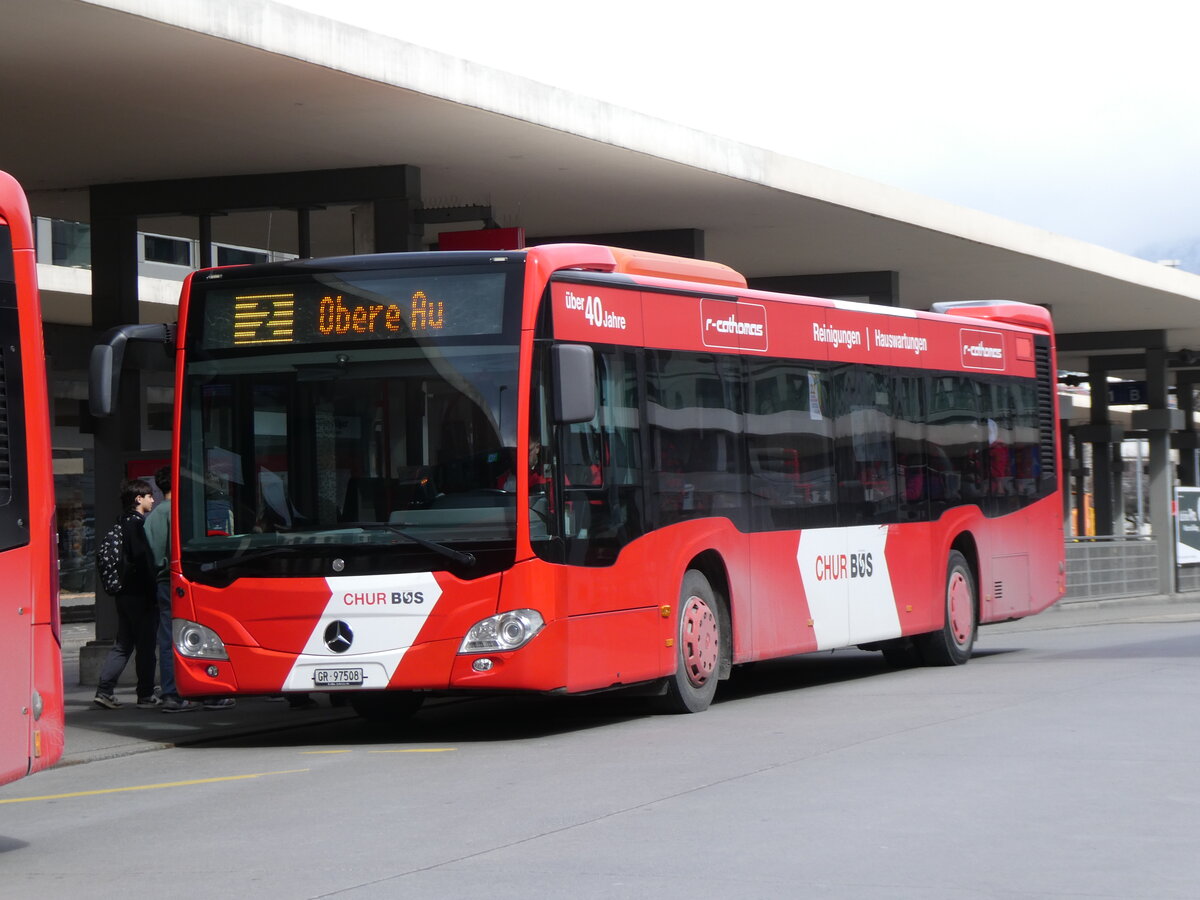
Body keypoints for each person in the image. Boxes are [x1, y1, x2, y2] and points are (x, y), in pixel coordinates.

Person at [144, 465, 235, 713]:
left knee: (166, 639)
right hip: (187, 579)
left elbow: (150, 556)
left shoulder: (152, 517)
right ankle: (207, 692)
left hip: (163, 581)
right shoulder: (183, 513)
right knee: (199, 638)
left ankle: (171, 694)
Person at [93, 478, 160, 710]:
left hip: (123, 594)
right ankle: (146, 694)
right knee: (146, 646)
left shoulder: (119, 523)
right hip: (140, 594)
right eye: (149, 496)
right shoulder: (137, 525)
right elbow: (143, 561)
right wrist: (154, 592)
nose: (152, 499)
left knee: (123, 644)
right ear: (137, 499)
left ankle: (104, 690)